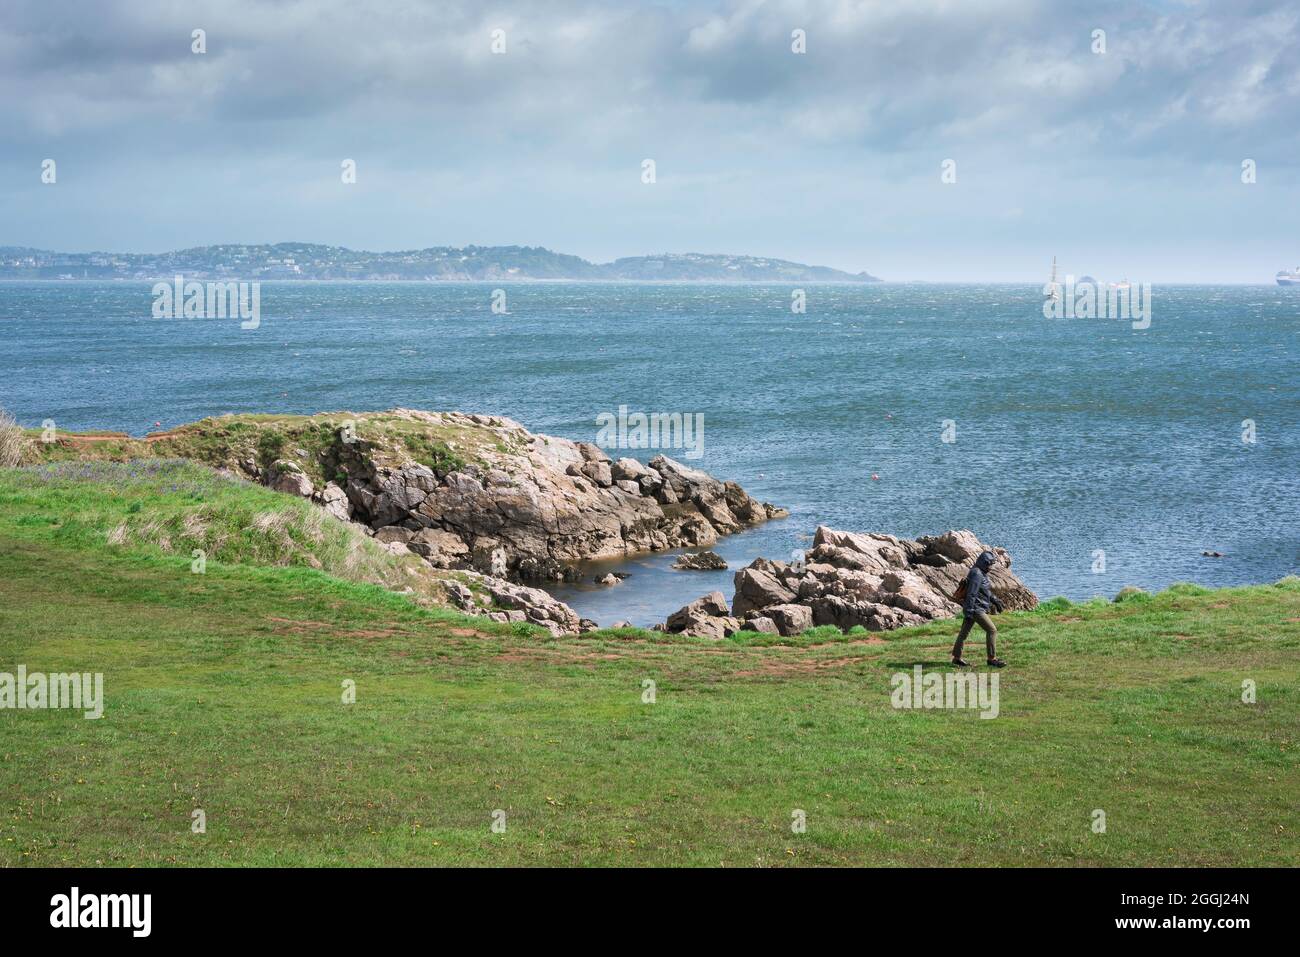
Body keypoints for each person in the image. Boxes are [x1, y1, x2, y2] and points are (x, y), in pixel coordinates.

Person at [952, 550, 1006, 667]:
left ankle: (957, 658)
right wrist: (970, 611)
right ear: (984, 563)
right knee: (992, 630)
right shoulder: (977, 573)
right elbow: (972, 593)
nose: (991, 567)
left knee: (963, 634)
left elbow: (984, 591)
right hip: (976, 608)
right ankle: (992, 659)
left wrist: (995, 600)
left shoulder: (980, 572)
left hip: (973, 607)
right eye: (990, 564)